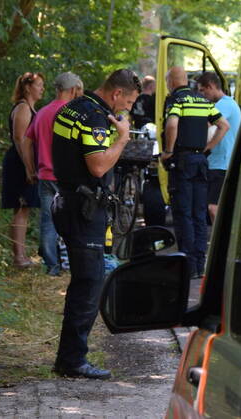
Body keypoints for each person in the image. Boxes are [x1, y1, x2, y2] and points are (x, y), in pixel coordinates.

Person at [51, 69, 140, 380]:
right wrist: (123, 138)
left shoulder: (73, 107)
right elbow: (99, 165)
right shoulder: (94, 117)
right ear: (116, 94)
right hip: (83, 207)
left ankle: (69, 357)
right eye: (127, 102)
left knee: (84, 281)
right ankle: (73, 360)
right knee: (88, 283)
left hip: (68, 200)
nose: (126, 109)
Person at [159, 66, 229, 278]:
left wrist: (168, 151)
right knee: (199, 214)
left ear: (171, 82)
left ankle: (186, 265)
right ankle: (199, 264)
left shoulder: (176, 100)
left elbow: (172, 125)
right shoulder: (203, 101)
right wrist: (209, 147)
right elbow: (223, 126)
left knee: (183, 213)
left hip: (182, 161)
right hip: (201, 162)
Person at [24, 71, 84, 276]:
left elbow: (27, 141)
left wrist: (30, 168)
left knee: (48, 223)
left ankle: (52, 266)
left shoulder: (41, 113)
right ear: (73, 90)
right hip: (66, 178)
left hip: (44, 176)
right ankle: (73, 263)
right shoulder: (73, 114)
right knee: (73, 221)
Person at [1, 71, 44, 267]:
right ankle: (18, 257)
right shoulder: (23, 108)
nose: (42, 88)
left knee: (25, 209)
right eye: (39, 85)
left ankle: (22, 255)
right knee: (20, 207)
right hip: (19, 163)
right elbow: (20, 139)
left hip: (25, 162)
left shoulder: (31, 108)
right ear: (28, 87)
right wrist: (28, 168)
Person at [196, 71, 241, 222]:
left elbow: (207, 125)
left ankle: (220, 242)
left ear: (210, 86)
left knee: (213, 207)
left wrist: (207, 147)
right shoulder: (228, 103)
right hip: (221, 162)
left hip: (221, 163)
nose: (202, 95)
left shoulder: (223, 105)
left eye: (202, 90)